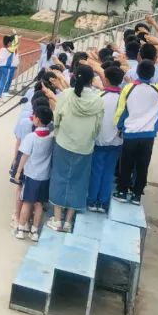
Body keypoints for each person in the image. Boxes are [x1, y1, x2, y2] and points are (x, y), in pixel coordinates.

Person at [114, 58, 158, 205]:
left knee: (126, 164)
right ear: (152, 75)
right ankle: (137, 194)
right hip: (148, 136)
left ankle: (122, 191)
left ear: (137, 72)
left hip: (130, 133)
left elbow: (121, 110)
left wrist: (119, 127)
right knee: (142, 165)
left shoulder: (129, 88)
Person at [48, 65, 103, 231]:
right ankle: (68, 221)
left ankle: (57, 219)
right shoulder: (98, 100)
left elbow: (56, 117)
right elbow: (97, 126)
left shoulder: (66, 95)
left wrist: (58, 131)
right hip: (85, 146)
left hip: (64, 142)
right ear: (91, 80)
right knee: (79, 182)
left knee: (59, 178)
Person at [87, 65, 126, 212]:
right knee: (109, 172)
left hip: (98, 140)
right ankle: (103, 203)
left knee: (96, 171)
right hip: (116, 141)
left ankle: (92, 201)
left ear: (106, 80)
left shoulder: (99, 97)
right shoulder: (123, 99)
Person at [13, 104, 55, 241]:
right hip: (45, 175)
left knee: (27, 202)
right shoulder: (51, 136)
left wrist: (18, 172)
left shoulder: (31, 137)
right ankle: (35, 231)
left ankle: (21, 228)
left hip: (31, 175)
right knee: (39, 204)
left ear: (37, 119)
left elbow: (24, 155)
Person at [0, 34, 19, 99]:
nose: (11, 44)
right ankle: (0, 95)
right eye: (10, 42)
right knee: (3, 81)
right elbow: (16, 45)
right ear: (8, 43)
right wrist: (15, 35)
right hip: (5, 67)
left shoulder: (1, 49)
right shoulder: (9, 50)